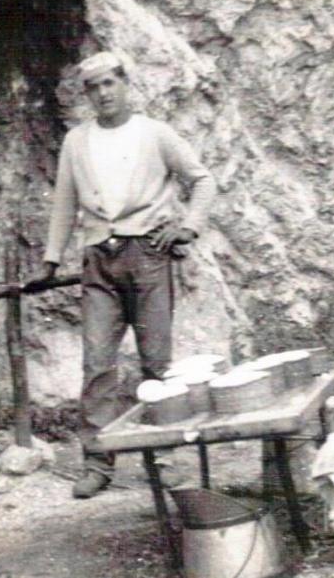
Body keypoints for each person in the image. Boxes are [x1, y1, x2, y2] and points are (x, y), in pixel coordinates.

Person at [29, 51, 216, 499]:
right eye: (93, 87)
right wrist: (51, 259)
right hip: (99, 260)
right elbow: (64, 204)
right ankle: (98, 462)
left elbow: (202, 180)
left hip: (148, 256)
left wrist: (187, 227)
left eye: (109, 83)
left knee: (156, 361)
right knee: (97, 364)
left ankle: (164, 456)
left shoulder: (155, 133)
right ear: (86, 95)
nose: (102, 93)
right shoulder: (77, 142)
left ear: (125, 84)